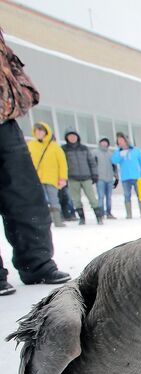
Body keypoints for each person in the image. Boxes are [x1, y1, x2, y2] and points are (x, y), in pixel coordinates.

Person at [0, 27, 70, 296]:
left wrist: (23, 92)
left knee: (26, 195)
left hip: (5, 122)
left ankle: (37, 264)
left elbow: (12, 66)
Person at [27, 122, 67, 227]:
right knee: (40, 200)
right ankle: (44, 221)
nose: (38, 132)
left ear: (46, 132)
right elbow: (26, 162)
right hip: (36, 179)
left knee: (53, 199)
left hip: (51, 178)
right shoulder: (30, 145)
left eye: (41, 130)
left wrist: (63, 177)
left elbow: (62, 163)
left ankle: (57, 220)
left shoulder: (54, 146)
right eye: (36, 130)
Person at [62, 128, 102, 225]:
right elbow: (62, 164)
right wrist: (64, 177)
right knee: (76, 200)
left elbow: (92, 162)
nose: (72, 138)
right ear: (67, 138)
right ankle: (82, 218)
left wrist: (94, 174)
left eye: (74, 135)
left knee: (92, 198)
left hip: (86, 177)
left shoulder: (84, 148)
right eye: (70, 136)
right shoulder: (64, 149)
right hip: (72, 178)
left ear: (77, 137)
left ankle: (99, 217)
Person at [112, 131, 141, 218]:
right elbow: (114, 161)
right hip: (125, 178)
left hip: (137, 176)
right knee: (127, 195)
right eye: (118, 140)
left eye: (121, 140)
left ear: (126, 140)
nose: (120, 142)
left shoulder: (136, 151)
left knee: (140, 195)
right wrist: (120, 155)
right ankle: (129, 214)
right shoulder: (118, 152)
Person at [94, 137, 117, 219]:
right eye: (102, 142)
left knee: (109, 196)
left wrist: (116, 177)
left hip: (110, 178)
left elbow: (114, 166)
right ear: (100, 143)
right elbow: (92, 165)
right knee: (100, 196)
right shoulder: (95, 153)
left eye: (105, 142)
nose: (104, 143)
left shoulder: (111, 154)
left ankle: (109, 212)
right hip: (100, 178)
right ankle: (101, 213)